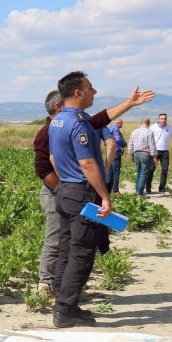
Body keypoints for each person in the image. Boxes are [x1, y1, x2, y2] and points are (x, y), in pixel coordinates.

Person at [48, 71, 154, 328]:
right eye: (91, 88)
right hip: (80, 193)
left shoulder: (58, 120)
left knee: (66, 248)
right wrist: (105, 197)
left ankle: (62, 300)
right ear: (78, 93)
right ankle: (65, 310)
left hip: (65, 191)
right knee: (82, 251)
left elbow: (56, 158)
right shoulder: (78, 123)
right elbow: (87, 163)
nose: (94, 92)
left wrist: (130, 103)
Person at [33, 90, 120, 299]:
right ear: (58, 108)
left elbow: (99, 119)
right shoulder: (48, 131)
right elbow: (43, 169)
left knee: (72, 241)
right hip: (58, 192)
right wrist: (62, 190)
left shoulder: (70, 124)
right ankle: (46, 284)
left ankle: (64, 288)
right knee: (57, 239)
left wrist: (130, 102)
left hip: (71, 193)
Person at [146, 113, 172, 193]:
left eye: (165, 118)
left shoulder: (169, 127)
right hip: (154, 152)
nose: (163, 120)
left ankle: (161, 187)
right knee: (151, 170)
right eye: (162, 118)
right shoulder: (153, 127)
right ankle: (148, 188)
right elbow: (148, 138)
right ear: (158, 119)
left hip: (165, 152)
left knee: (165, 170)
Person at [128, 117, 158, 198]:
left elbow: (130, 144)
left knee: (138, 173)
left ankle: (137, 190)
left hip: (136, 153)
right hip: (145, 154)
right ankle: (140, 193)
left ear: (140, 123)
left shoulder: (134, 131)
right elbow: (152, 145)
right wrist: (154, 156)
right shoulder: (149, 132)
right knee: (144, 174)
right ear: (148, 123)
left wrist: (131, 154)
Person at [106, 119, 127, 193]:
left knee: (109, 170)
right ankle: (115, 190)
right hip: (116, 151)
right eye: (121, 124)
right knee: (116, 171)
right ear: (118, 123)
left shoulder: (109, 128)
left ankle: (107, 188)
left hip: (109, 151)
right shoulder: (115, 129)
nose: (122, 125)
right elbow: (118, 139)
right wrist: (124, 144)